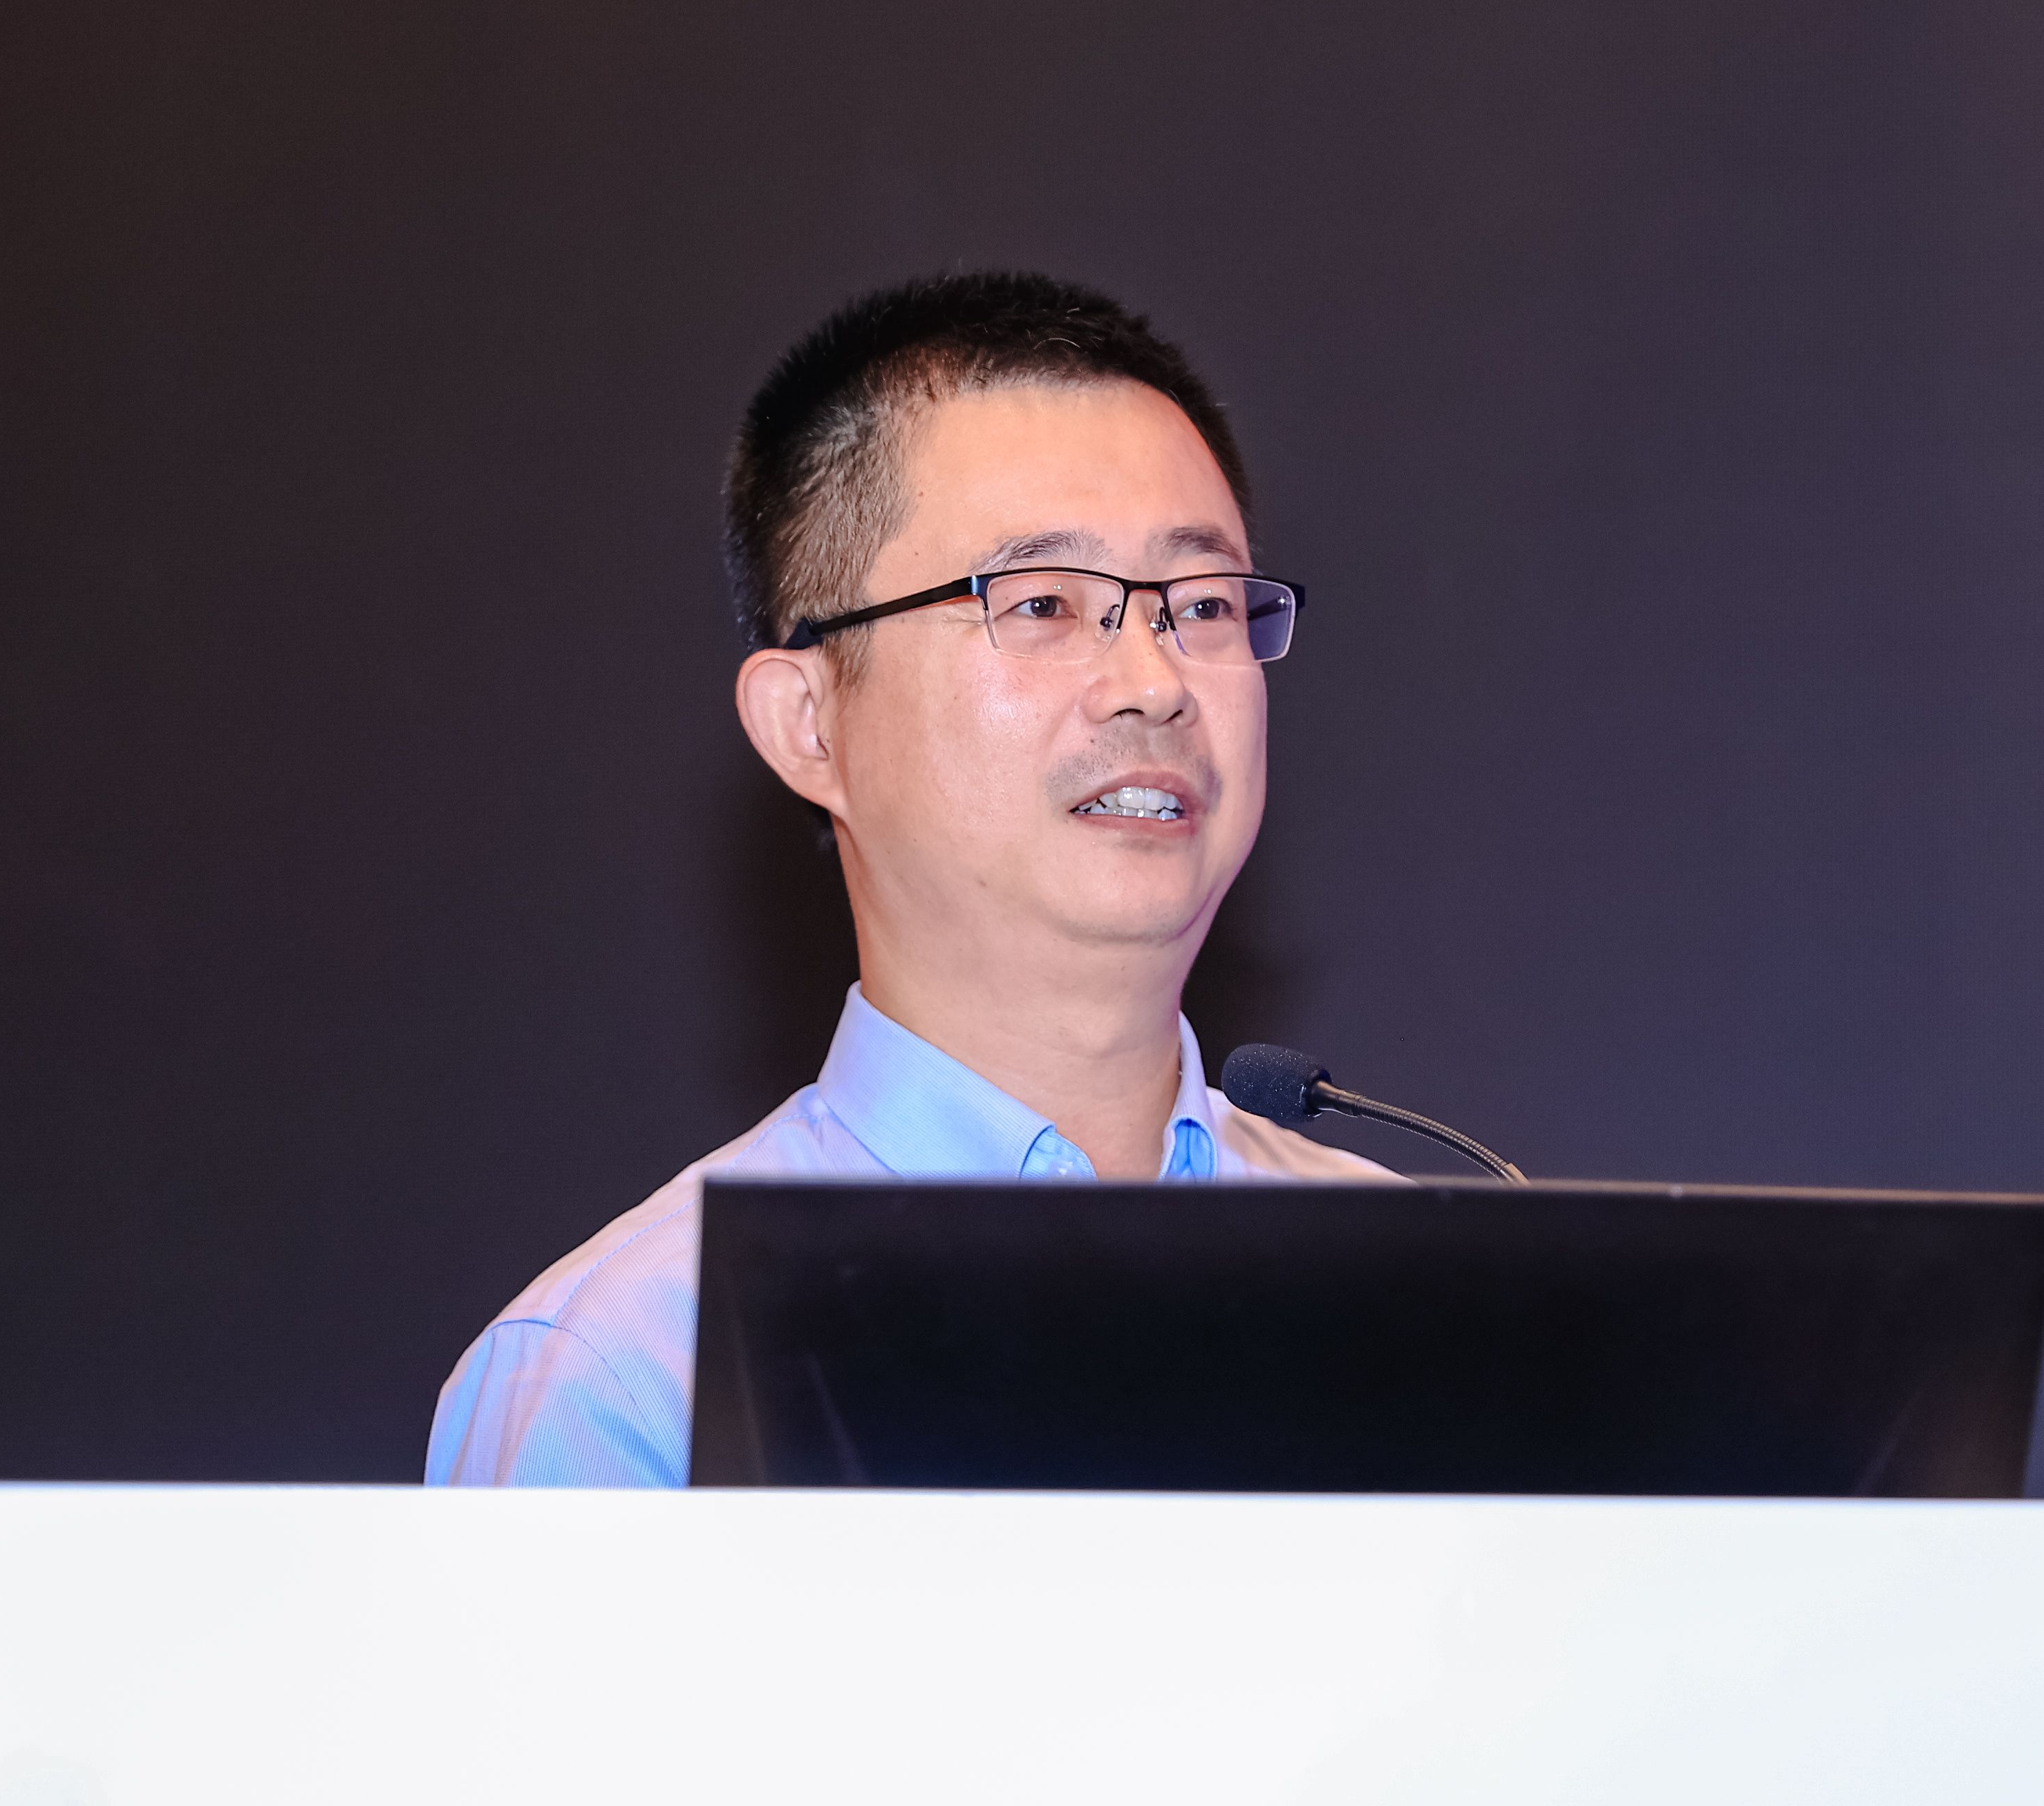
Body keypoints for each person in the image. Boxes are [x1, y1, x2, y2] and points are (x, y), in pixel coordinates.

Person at [426, 273, 1391, 1487]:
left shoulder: (1415, 1298)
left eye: (1200, 606)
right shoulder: (633, 1377)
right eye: (1044, 604)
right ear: (809, 723)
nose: (1155, 682)